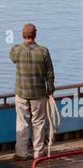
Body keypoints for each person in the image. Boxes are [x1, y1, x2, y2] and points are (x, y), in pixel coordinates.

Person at [10, 23, 55, 160]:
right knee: (38, 123)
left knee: (22, 123)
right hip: (38, 94)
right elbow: (50, 73)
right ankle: (38, 152)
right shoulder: (43, 51)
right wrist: (50, 90)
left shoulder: (17, 50)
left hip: (21, 93)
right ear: (35, 35)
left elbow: (12, 57)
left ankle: (21, 153)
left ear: (23, 35)